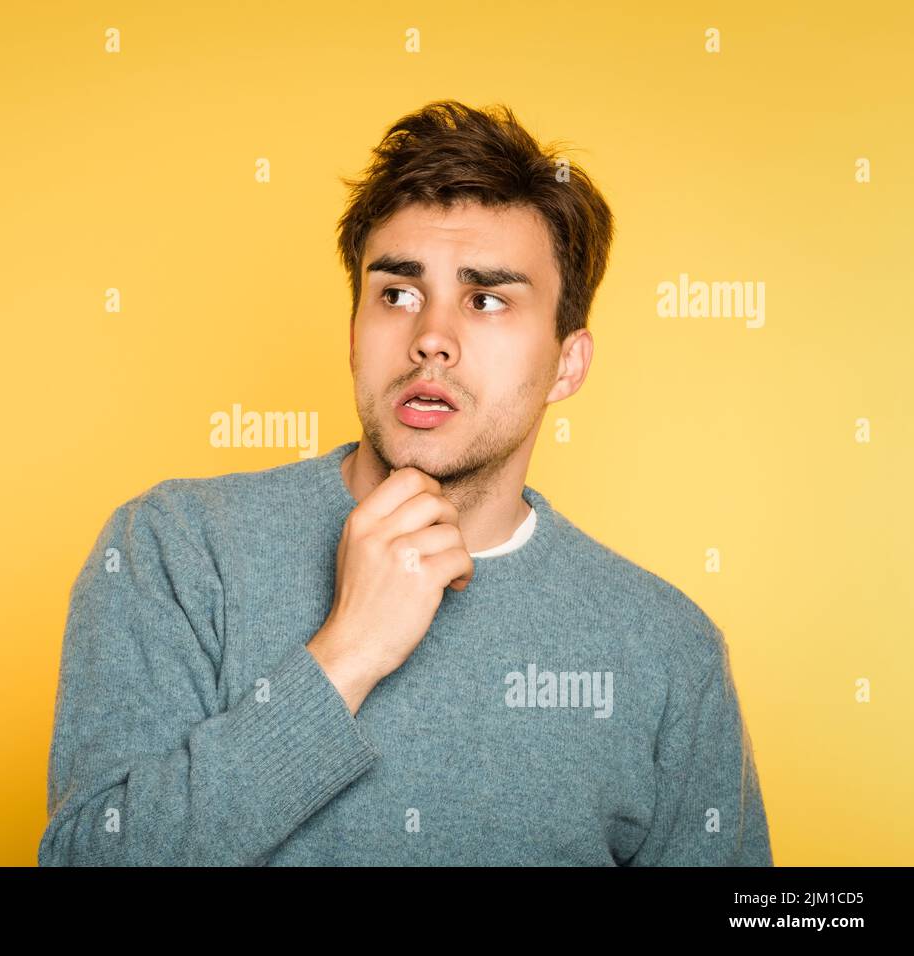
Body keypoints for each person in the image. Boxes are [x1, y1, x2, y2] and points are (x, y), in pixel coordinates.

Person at [37, 100, 772, 866]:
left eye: (486, 299)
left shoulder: (667, 650)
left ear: (567, 363)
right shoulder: (175, 549)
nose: (431, 339)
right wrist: (347, 653)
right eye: (397, 293)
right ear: (355, 332)